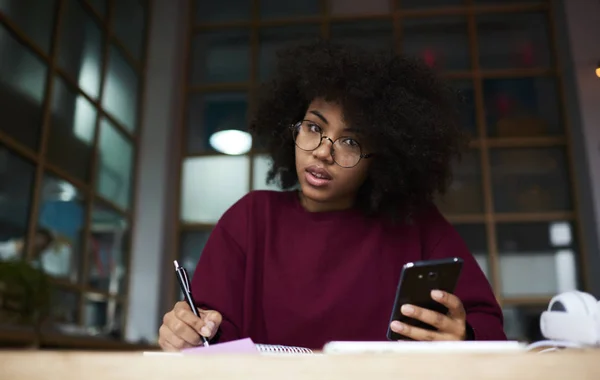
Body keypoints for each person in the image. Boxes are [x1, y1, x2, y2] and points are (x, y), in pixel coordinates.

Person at [158, 40, 506, 351]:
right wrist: (188, 331)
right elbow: (210, 329)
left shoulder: (417, 223)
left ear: (381, 157)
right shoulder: (250, 219)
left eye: (350, 141)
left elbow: (488, 325)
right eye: (314, 128)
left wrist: (464, 336)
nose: (323, 152)